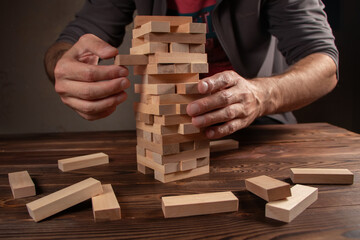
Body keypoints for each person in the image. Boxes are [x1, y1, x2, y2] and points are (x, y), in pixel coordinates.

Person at [44, 0, 338, 139]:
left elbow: (324, 64)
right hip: (164, 136)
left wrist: (261, 95)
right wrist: (64, 66)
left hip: (260, 132)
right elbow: (71, 43)